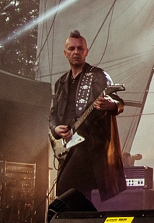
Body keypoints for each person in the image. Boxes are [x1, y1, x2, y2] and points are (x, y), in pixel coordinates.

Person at [49, 30, 126, 204]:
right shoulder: (61, 83)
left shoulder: (98, 76)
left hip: (92, 145)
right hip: (71, 144)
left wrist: (111, 105)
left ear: (86, 51)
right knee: (74, 191)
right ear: (65, 53)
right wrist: (56, 128)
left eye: (80, 48)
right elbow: (53, 114)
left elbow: (118, 102)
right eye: (72, 48)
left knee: (66, 185)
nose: (76, 52)